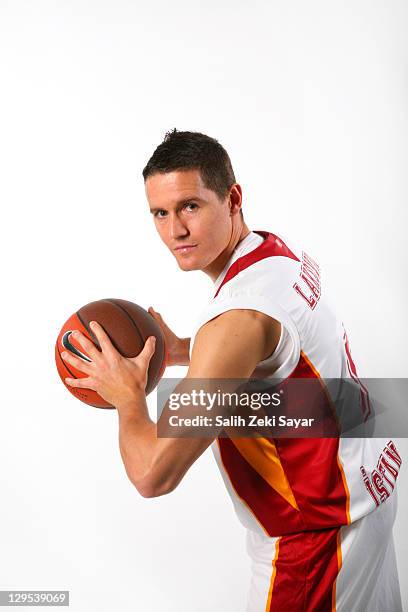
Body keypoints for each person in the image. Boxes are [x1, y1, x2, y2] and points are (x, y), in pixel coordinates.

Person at [63, 130, 402, 611]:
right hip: (367, 490)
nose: (175, 230)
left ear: (233, 197)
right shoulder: (273, 254)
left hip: (317, 541)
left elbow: (152, 473)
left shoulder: (238, 318)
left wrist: (128, 397)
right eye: (160, 213)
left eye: (190, 207)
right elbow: (298, 377)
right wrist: (189, 350)